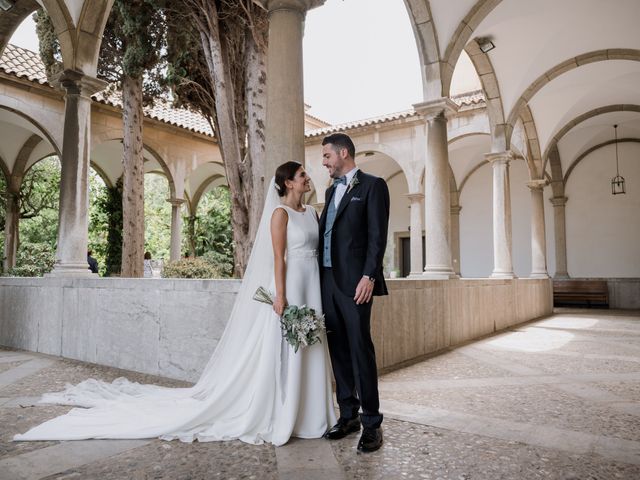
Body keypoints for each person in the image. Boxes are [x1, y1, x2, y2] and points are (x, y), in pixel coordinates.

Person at [14, 162, 336, 446]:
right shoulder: (279, 214)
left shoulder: (311, 213)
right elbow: (278, 258)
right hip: (290, 286)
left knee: (311, 344)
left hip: (313, 286)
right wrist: (280, 296)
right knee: (287, 349)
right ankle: (285, 411)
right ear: (288, 183)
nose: (308, 177)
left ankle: (311, 413)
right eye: (302, 174)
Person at [318, 132, 389, 453]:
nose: (324, 163)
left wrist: (368, 276)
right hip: (327, 282)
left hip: (356, 284)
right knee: (338, 350)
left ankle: (372, 422)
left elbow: (377, 237)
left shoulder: (373, 186)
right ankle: (348, 415)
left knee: (360, 349)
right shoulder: (331, 190)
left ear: (343, 153)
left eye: (327, 157)